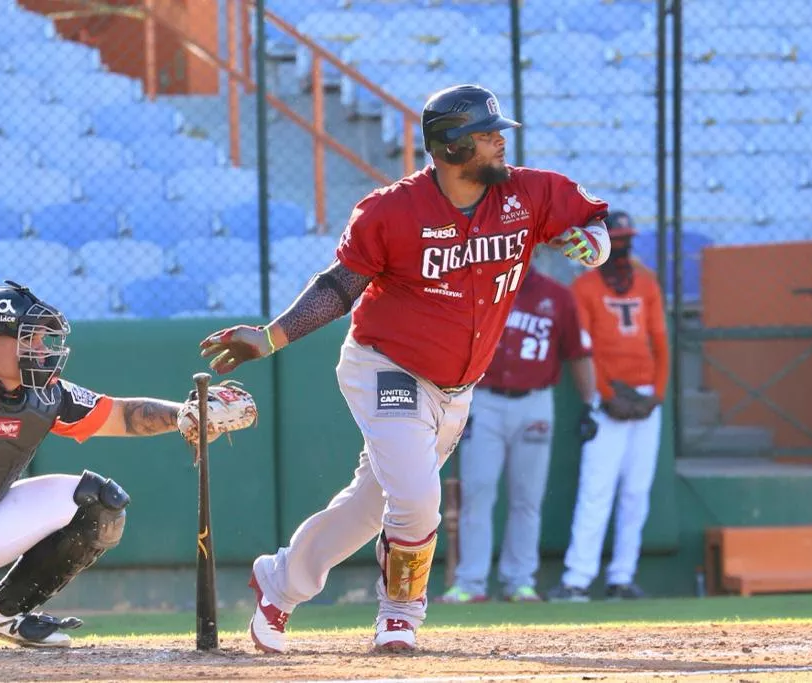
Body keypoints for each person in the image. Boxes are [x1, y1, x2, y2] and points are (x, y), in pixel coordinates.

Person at [198, 83, 611, 652]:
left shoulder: (529, 191)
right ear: (448, 146)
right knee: (416, 498)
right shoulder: (392, 209)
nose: (499, 142)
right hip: (386, 368)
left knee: (372, 506)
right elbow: (340, 287)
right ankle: (400, 613)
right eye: (485, 134)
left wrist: (593, 243)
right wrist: (270, 337)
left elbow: (591, 222)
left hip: (456, 389)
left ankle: (281, 581)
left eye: (497, 132)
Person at [0, 280, 256, 655]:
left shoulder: (48, 394)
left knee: (102, 504)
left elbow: (121, 414)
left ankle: (4, 612)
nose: (42, 349)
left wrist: (186, 414)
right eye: (30, 338)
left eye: (43, 338)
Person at [437, 261, 599, 605]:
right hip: (483, 399)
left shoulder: (556, 296)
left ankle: (520, 580)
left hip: (535, 400)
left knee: (527, 496)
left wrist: (590, 404)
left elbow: (578, 353)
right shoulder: (476, 288)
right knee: (477, 492)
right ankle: (470, 582)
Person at [546, 211, 669, 602]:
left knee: (637, 491)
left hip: (645, 397)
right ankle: (577, 579)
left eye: (627, 239)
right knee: (596, 489)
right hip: (608, 398)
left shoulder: (648, 284)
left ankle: (622, 576)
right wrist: (606, 395)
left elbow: (662, 345)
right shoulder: (583, 287)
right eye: (615, 240)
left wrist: (657, 395)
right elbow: (583, 350)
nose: (622, 247)